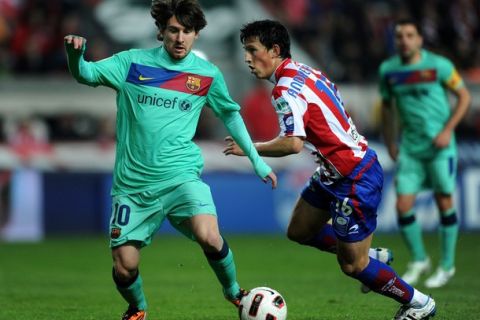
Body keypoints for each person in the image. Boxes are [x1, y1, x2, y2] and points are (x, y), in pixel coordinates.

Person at [64, 1, 277, 319]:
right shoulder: (132, 63)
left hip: (181, 177)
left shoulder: (206, 75)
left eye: (187, 32)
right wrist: (74, 56)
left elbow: (230, 116)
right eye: (174, 30)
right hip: (133, 186)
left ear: (196, 35)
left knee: (209, 236)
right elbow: (86, 73)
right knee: (125, 267)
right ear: (161, 31)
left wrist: (257, 161)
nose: (180, 38)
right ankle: (137, 308)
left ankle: (235, 293)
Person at [224, 19, 435, 320]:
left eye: (252, 50)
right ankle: (374, 257)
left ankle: (418, 302)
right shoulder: (306, 70)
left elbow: (292, 144)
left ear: (274, 50)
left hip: (355, 176)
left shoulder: (283, 91)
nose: (247, 58)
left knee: (353, 266)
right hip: (333, 172)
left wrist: (249, 147)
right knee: (299, 230)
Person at [379, 19, 471, 288]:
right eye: (399, 36)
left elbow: (464, 96)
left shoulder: (439, 66)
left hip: (441, 148)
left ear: (419, 39)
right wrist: (390, 141)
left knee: (444, 202)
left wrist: (447, 130)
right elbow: (387, 107)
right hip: (410, 148)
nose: (404, 40)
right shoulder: (388, 70)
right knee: (402, 205)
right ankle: (419, 260)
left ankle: (447, 265)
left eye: (409, 35)